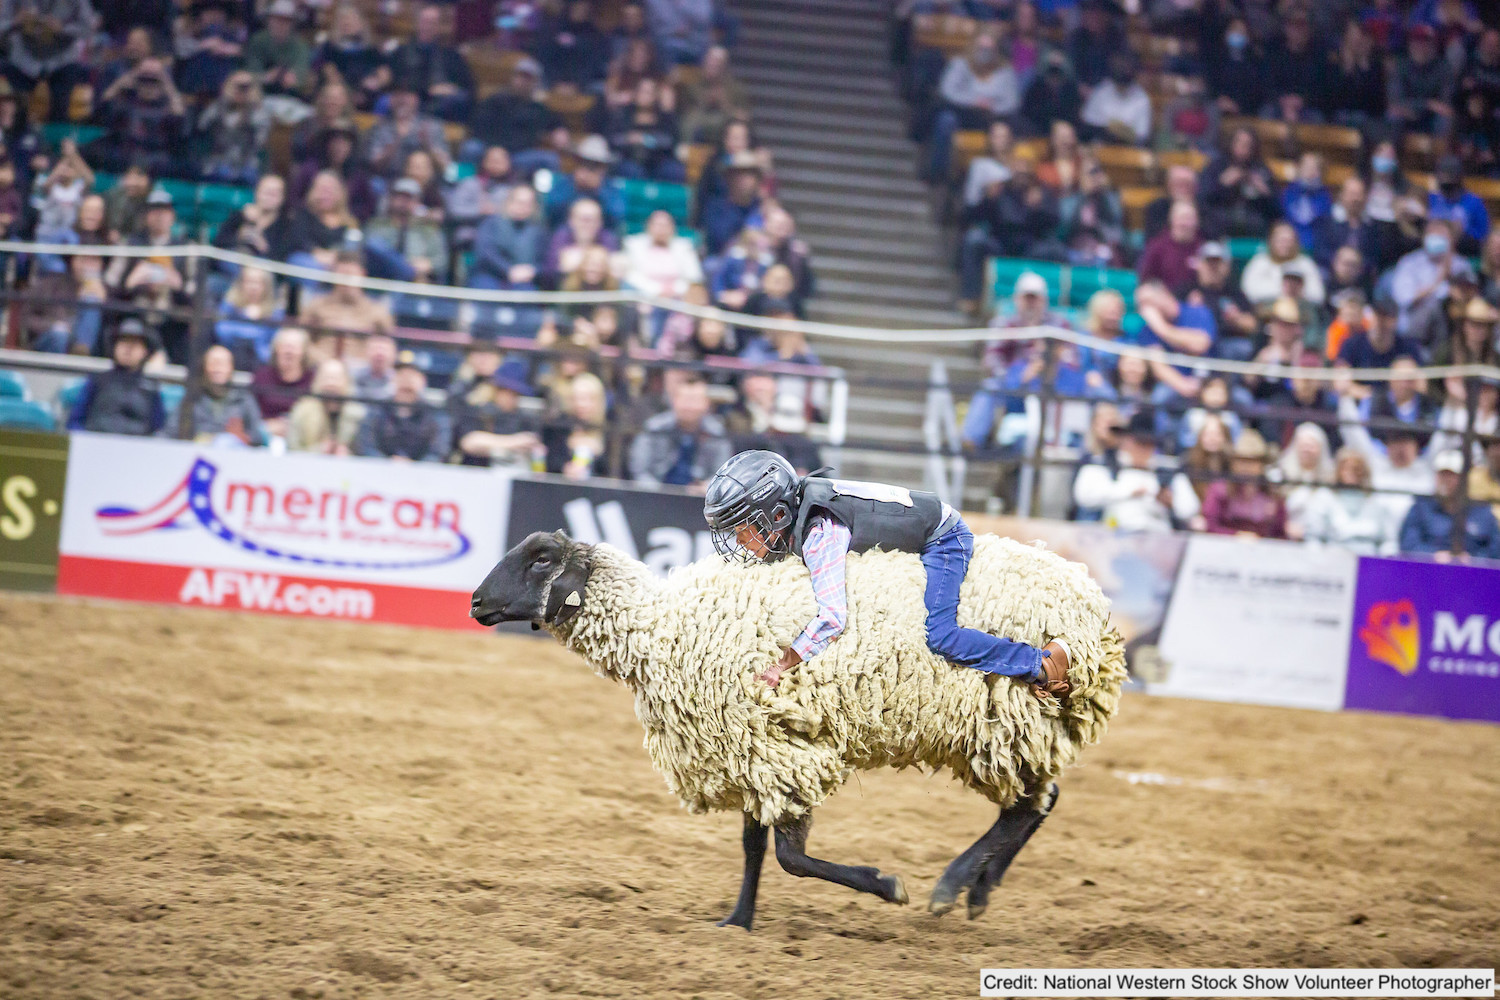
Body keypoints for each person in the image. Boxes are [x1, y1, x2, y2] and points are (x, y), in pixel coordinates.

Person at [702, 450, 1074, 697]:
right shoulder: (805, 507)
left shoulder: (820, 534)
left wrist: (783, 663)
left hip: (943, 536)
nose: (739, 539)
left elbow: (833, 618)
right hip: (927, 522)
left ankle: (1040, 663)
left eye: (742, 528)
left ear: (777, 515)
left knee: (941, 636)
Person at [1072, 409, 1201, 532]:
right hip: (1112, 534)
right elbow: (1084, 495)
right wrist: (1128, 492)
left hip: (1157, 537)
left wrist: (1171, 501)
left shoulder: (1165, 471)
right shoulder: (1107, 464)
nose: (1143, 448)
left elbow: (1190, 509)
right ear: (1126, 440)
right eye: (1139, 442)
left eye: (1148, 444)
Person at [629, 374, 733, 488]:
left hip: (701, 500)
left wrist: (708, 488)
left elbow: (723, 475)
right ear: (674, 401)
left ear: (707, 403)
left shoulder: (717, 434)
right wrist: (659, 491)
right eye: (685, 399)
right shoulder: (654, 428)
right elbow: (639, 469)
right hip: (656, 495)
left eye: (695, 400)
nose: (689, 406)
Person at [66, 319, 167, 436]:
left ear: (145, 351)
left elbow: (159, 430)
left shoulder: (151, 389)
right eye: (123, 342)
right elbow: (75, 421)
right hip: (96, 444)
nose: (128, 349)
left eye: (135, 344)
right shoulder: (97, 380)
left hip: (137, 449)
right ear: (114, 347)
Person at [1399, 450, 1500, 559]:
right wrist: (1433, 555)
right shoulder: (1420, 508)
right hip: (1428, 571)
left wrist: (1473, 559)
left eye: (1452, 475)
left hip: (1474, 573)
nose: (1445, 480)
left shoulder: (1482, 510)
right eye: (1442, 474)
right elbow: (1408, 545)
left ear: (1464, 479)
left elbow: (1495, 549)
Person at [1299, 448, 1402, 554]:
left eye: (1356, 468)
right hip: (1332, 558)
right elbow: (1313, 537)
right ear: (1338, 469)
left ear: (1365, 471)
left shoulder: (1377, 501)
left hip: (1368, 560)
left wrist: (1383, 562)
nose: (1351, 472)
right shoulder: (1324, 497)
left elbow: (1388, 541)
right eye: (1346, 468)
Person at [353, 352, 449, 461]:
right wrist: (388, 463)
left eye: (412, 375)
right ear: (393, 379)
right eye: (401, 374)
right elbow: (366, 445)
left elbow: (439, 452)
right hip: (379, 473)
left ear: (423, 381)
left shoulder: (436, 415)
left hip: (422, 476)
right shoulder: (377, 410)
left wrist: (414, 467)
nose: (406, 380)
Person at [385, 3, 473, 122]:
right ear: (418, 23)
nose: (428, 26)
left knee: (459, 99)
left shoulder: (451, 55)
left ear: (439, 26)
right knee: (386, 101)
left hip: (442, 102)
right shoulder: (402, 51)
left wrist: (452, 89)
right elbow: (394, 79)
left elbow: (468, 85)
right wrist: (427, 89)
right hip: (409, 96)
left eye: (433, 23)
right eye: (425, 21)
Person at [1200, 429, 1287, 539]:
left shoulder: (1273, 495)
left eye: (1252, 461)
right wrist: (1236, 536)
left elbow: (1280, 534)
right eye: (1240, 460)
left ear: (1261, 464)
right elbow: (1210, 526)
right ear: (1233, 463)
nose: (1246, 467)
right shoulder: (1219, 490)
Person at [451, 365, 541, 468]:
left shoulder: (522, 418)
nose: (509, 397)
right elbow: (469, 442)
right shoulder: (477, 409)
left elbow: (533, 443)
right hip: (475, 472)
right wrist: (513, 442)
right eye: (504, 391)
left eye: (514, 394)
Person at [184, 344, 266, 446]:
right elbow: (172, 432)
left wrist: (242, 436)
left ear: (231, 368)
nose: (217, 368)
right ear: (204, 368)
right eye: (213, 363)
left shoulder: (244, 400)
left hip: (235, 456)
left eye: (222, 364)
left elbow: (257, 437)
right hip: (198, 454)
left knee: (224, 442)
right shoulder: (192, 400)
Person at [286, 357, 365, 454]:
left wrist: (347, 454)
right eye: (327, 377)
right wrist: (319, 450)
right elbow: (291, 448)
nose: (331, 383)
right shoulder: (302, 411)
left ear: (346, 381)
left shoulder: (358, 415)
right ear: (317, 381)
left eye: (336, 378)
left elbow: (366, 452)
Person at [251, 325, 315, 436]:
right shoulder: (261, 376)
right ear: (276, 349)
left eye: (294, 347)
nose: (289, 352)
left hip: (302, 436)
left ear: (304, 352)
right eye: (285, 346)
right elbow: (250, 411)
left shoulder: (313, 379)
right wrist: (267, 426)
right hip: (265, 434)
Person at [1079, 52, 1151, 145]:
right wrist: (1107, 129)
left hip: (1129, 150)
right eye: (1119, 84)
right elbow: (1088, 124)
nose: (1121, 88)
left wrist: (1123, 132)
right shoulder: (1101, 92)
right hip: (1100, 146)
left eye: (1125, 85)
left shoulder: (1142, 99)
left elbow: (1142, 136)